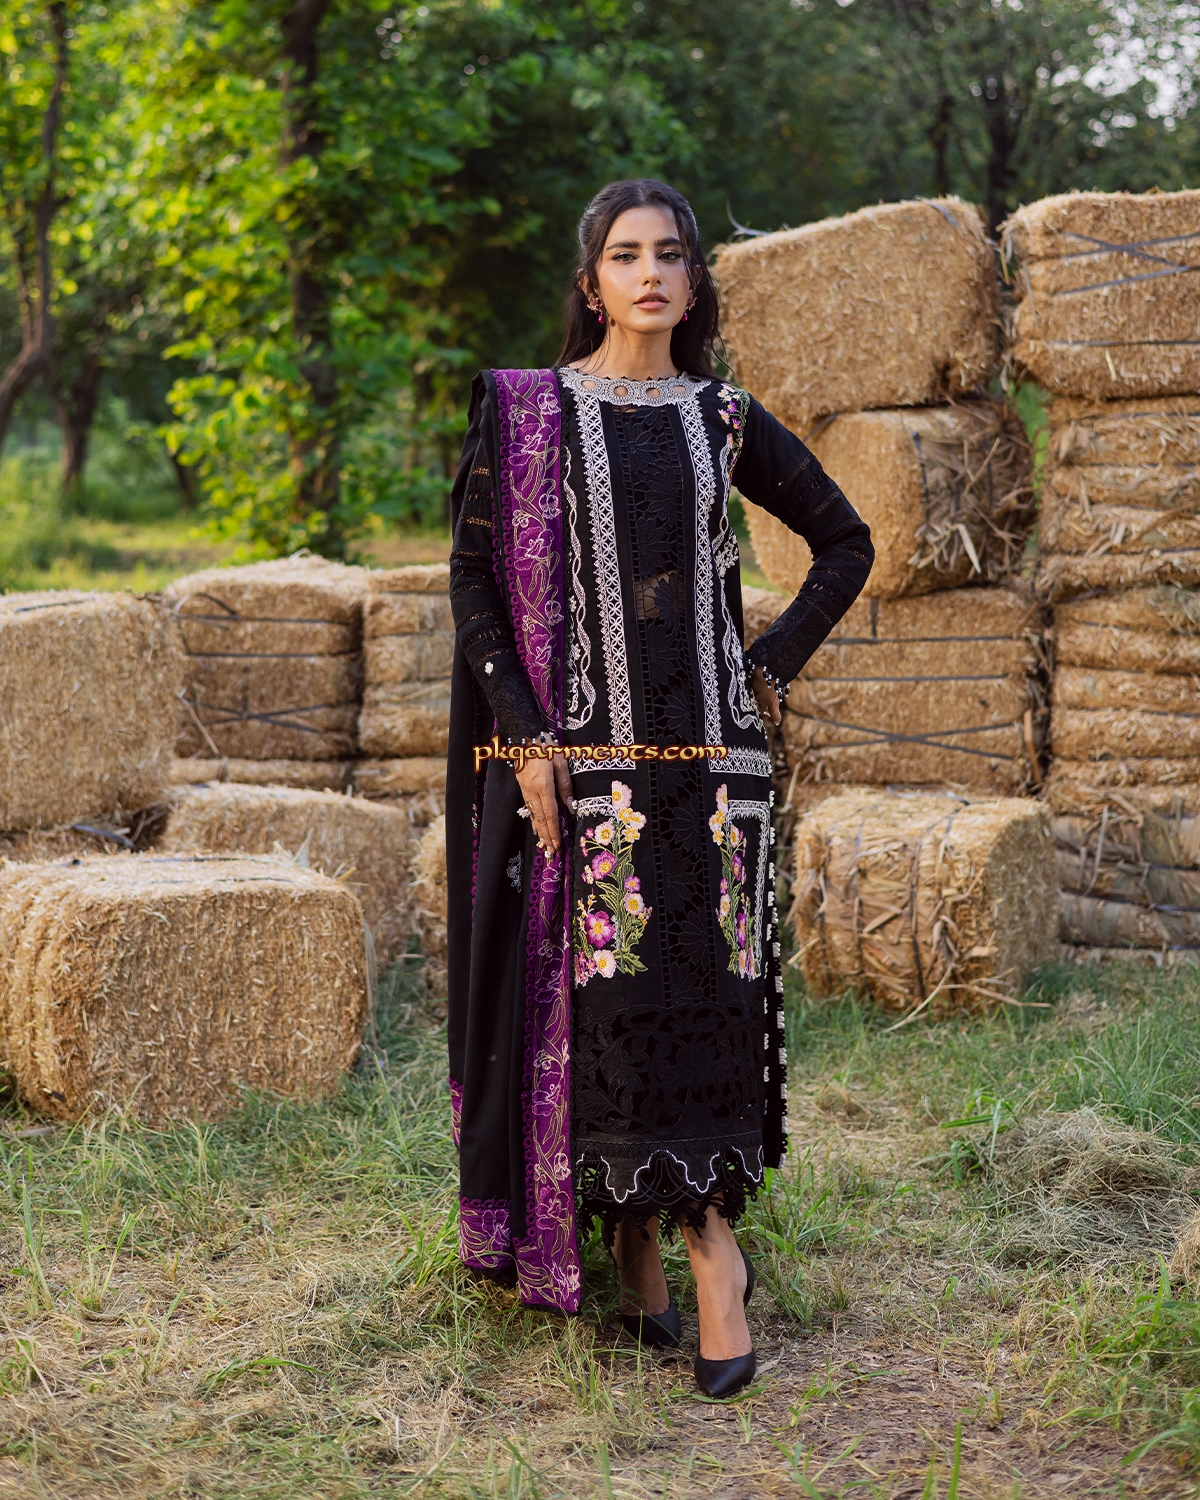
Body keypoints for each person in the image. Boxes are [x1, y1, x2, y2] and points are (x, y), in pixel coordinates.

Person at [445, 178, 873, 1399]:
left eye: (671, 254)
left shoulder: (723, 417)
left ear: (694, 281)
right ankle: (637, 1236)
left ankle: (712, 1254)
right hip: (586, 772)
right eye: (626, 255)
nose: (650, 273)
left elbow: (846, 542)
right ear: (591, 284)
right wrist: (527, 737)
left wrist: (767, 665)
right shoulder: (528, 412)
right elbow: (476, 581)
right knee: (613, 1006)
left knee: (709, 1003)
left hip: (715, 774)